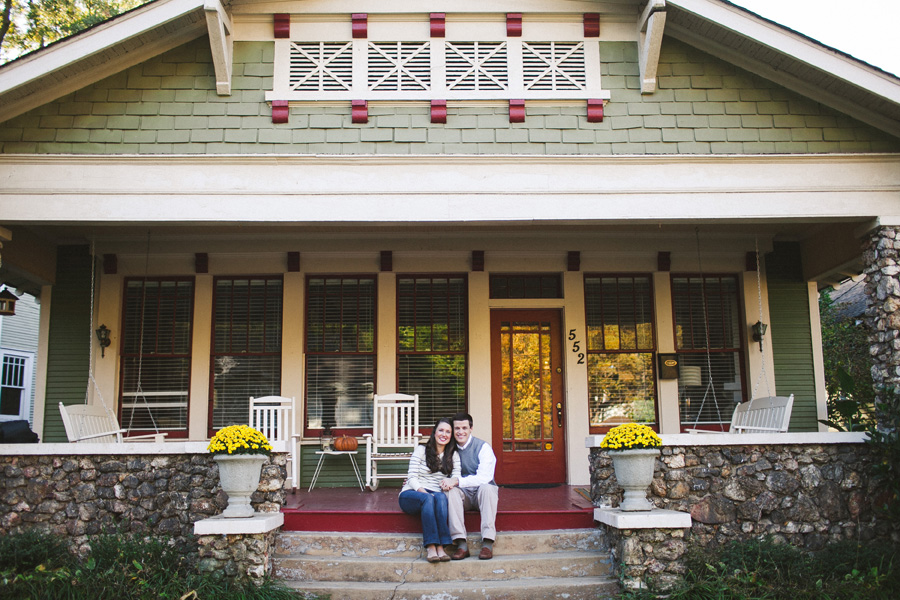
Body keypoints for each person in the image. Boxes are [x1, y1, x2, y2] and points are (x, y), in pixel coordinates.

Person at [399, 417, 460, 563]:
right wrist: (424, 492)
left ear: (451, 436)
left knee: (440, 497)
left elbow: (456, 476)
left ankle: (441, 547)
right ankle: (431, 546)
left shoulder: (453, 455)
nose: (444, 434)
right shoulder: (421, 450)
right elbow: (411, 477)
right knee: (431, 498)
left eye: (448, 432)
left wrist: (450, 483)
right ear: (434, 432)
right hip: (412, 493)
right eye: (441, 430)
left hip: (435, 494)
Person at [441, 412, 499, 560]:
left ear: (471, 428)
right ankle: (461, 544)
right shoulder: (449, 448)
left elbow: (485, 477)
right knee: (451, 492)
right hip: (463, 495)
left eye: (464, 428)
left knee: (487, 487)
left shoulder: (483, 447)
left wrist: (457, 481)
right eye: (457, 428)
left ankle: (487, 543)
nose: (461, 432)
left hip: (482, 494)